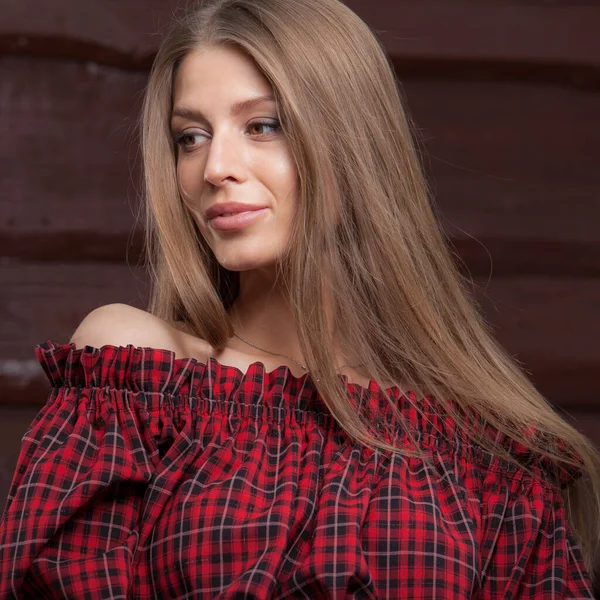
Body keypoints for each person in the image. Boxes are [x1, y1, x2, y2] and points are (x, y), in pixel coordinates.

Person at [1, 0, 599, 597]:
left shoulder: (489, 463)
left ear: (352, 145)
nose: (215, 167)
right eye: (190, 137)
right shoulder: (142, 382)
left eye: (263, 125)